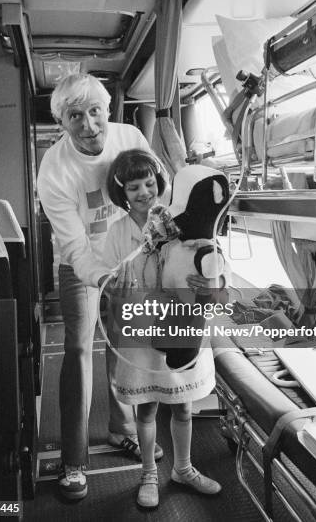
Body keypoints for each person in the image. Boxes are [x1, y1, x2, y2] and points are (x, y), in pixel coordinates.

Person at [37, 74, 163, 501]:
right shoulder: (55, 169)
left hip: (128, 254)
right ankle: (73, 461)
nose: (89, 124)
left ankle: (120, 430)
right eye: (76, 115)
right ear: (62, 122)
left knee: (122, 342)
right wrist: (101, 277)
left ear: (107, 110)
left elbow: (153, 197)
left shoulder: (129, 136)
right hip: (79, 264)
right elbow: (73, 243)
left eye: (95, 111)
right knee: (78, 348)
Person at [95, 150, 223, 509]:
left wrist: (211, 281)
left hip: (181, 325)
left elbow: (211, 257)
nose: (143, 192)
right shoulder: (118, 233)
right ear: (121, 192)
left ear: (159, 183)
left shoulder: (179, 221)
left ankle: (184, 468)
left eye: (149, 183)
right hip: (139, 331)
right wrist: (114, 284)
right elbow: (107, 280)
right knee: (147, 411)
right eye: (133, 187)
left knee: (183, 407)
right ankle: (149, 473)